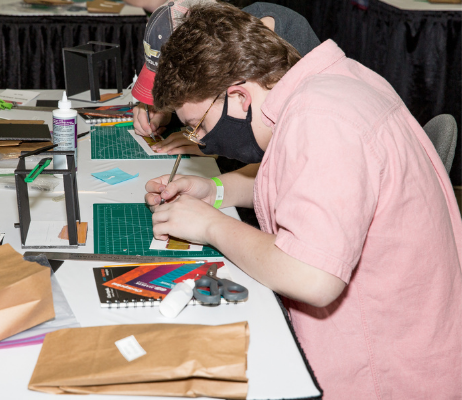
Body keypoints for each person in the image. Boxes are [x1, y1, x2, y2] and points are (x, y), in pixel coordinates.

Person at [144, 2, 462, 398]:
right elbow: (298, 175)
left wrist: (211, 225)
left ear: (240, 96)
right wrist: (216, 191)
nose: (204, 140)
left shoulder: (323, 120)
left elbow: (311, 275)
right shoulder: (330, 82)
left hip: (384, 373)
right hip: (408, 337)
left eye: (199, 126)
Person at [131, 0, 320, 157]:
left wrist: (218, 145)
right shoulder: (226, 39)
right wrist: (168, 112)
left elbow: (286, 164)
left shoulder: (297, 59)